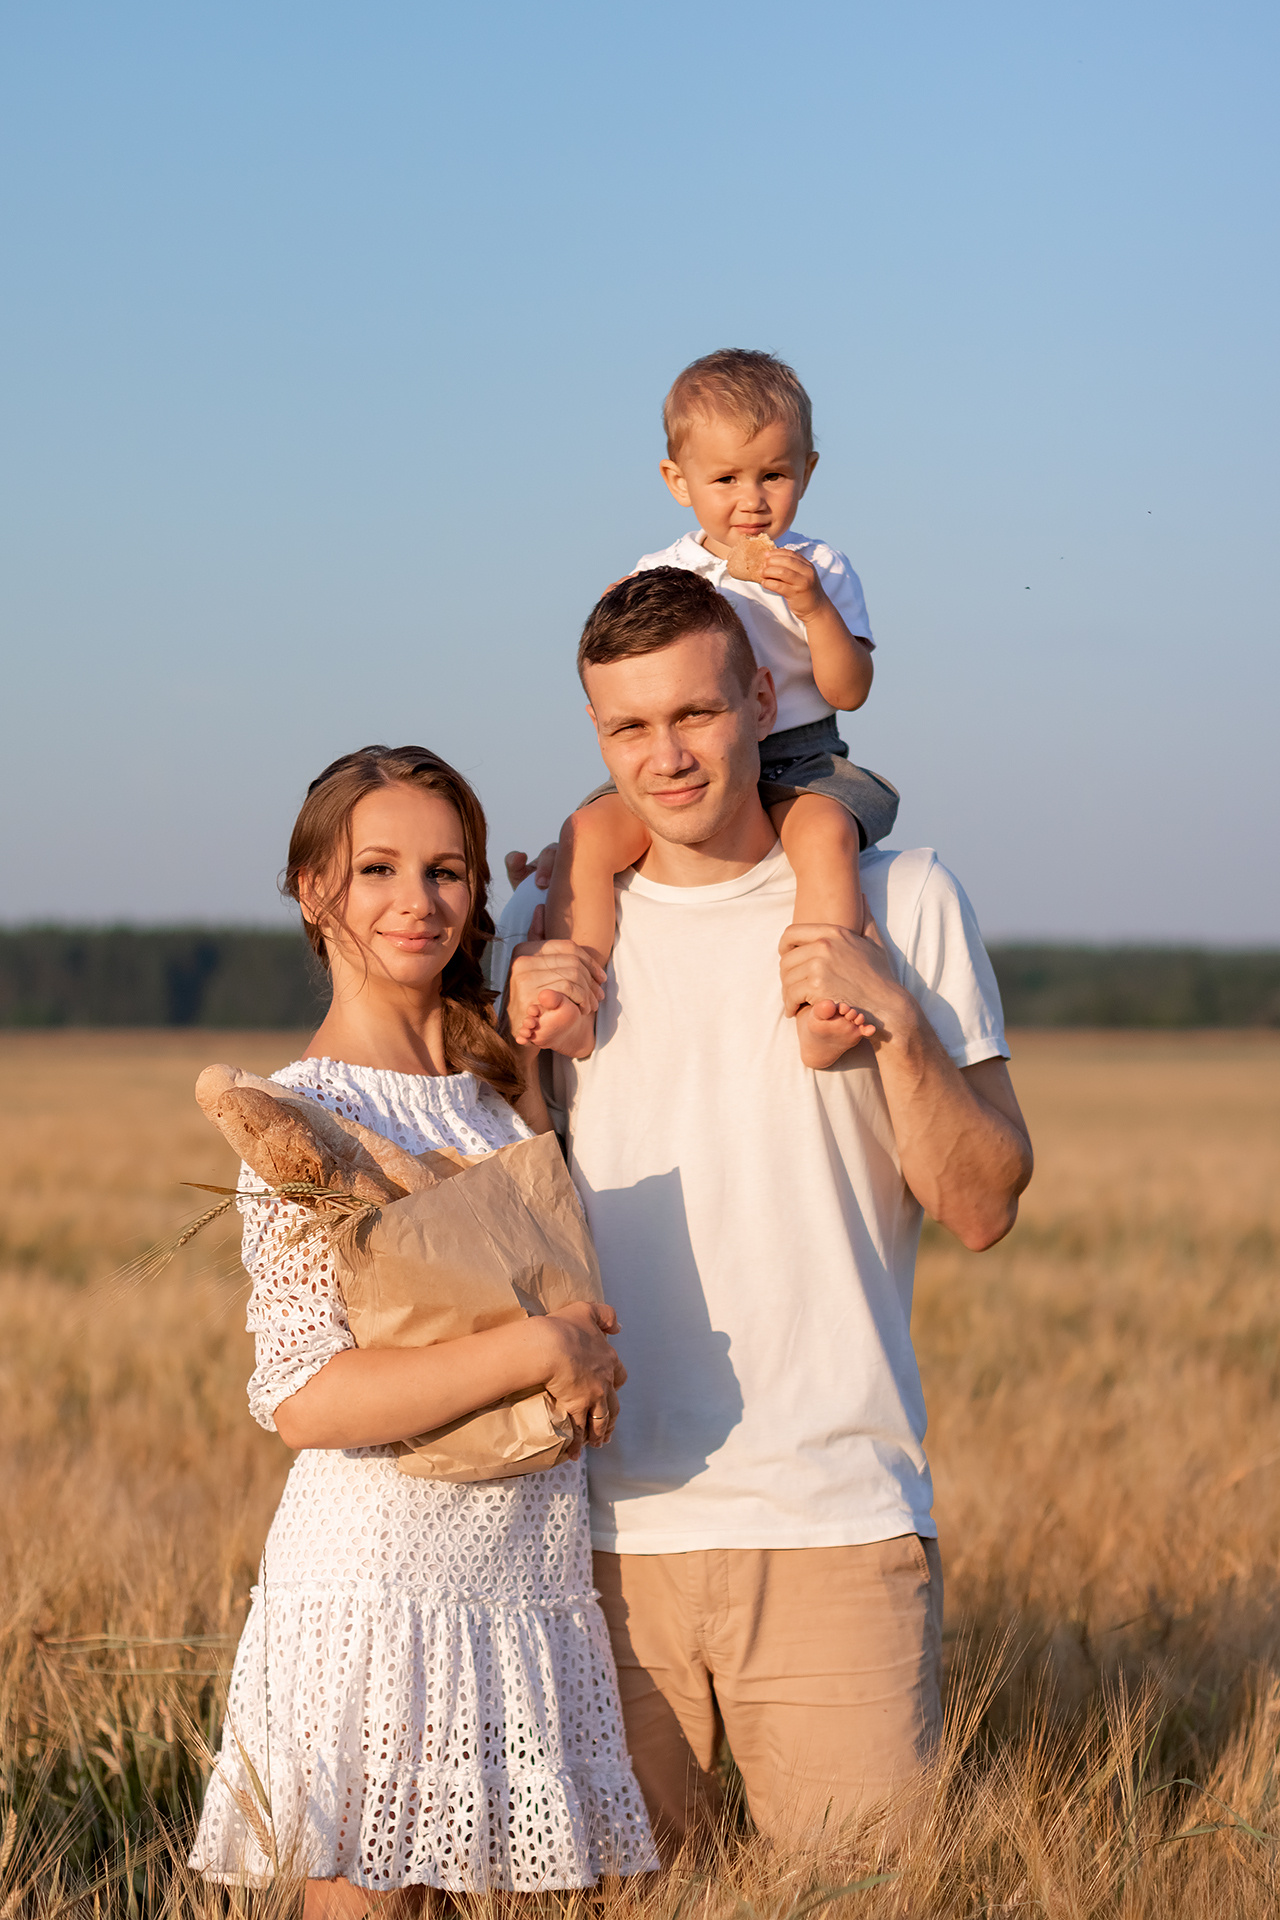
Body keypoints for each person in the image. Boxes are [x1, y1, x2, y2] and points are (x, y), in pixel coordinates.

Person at [504, 572, 1033, 1855]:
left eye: (693, 713)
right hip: (588, 1543)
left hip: (832, 1520)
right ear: (594, 735)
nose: (666, 756)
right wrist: (518, 1037)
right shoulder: (556, 927)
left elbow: (979, 1204)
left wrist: (895, 1024)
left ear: (759, 696)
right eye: (628, 729)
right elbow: (498, 1194)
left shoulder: (900, 902)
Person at [189, 746, 655, 1915]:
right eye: (377, 868)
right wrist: (541, 1350)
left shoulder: (496, 1083)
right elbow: (304, 1398)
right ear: (312, 891)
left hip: (527, 1579)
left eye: (445, 870)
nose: (418, 901)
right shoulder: (303, 1116)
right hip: (382, 1588)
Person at [528, 348, 899, 1069]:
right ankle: (575, 998)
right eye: (725, 478)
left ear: (809, 471)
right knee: (589, 833)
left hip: (800, 757)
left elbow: (850, 688)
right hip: (687, 761)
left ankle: (821, 1003)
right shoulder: (662, 572)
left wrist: (813, 609)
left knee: (823, 834)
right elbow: (619, 664)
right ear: (678, 482)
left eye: (774, 476)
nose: (751, 500)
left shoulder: (820, 569)